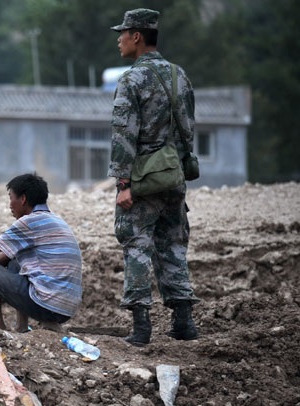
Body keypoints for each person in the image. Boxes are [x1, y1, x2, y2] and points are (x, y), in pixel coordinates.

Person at [108, 9, 200, 346]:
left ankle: (142, 327)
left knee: (136, 245)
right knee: (173, 246)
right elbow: (188, 130)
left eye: (123, 33)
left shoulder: (132, 80)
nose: (118, 39)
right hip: (174, 177)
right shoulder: (179, 76)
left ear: (137, 36)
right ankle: (184, 323)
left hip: (143, 180)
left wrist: (122, 184)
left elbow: (123, 134)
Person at [0, 173, 82, 332]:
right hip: (65, 310)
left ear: (23, 199)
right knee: (14, 262)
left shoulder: (29, 222)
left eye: (11, 198)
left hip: (46, 304)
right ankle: (22, 328)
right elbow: (6, 256)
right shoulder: (55, 220)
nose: (10, 205)